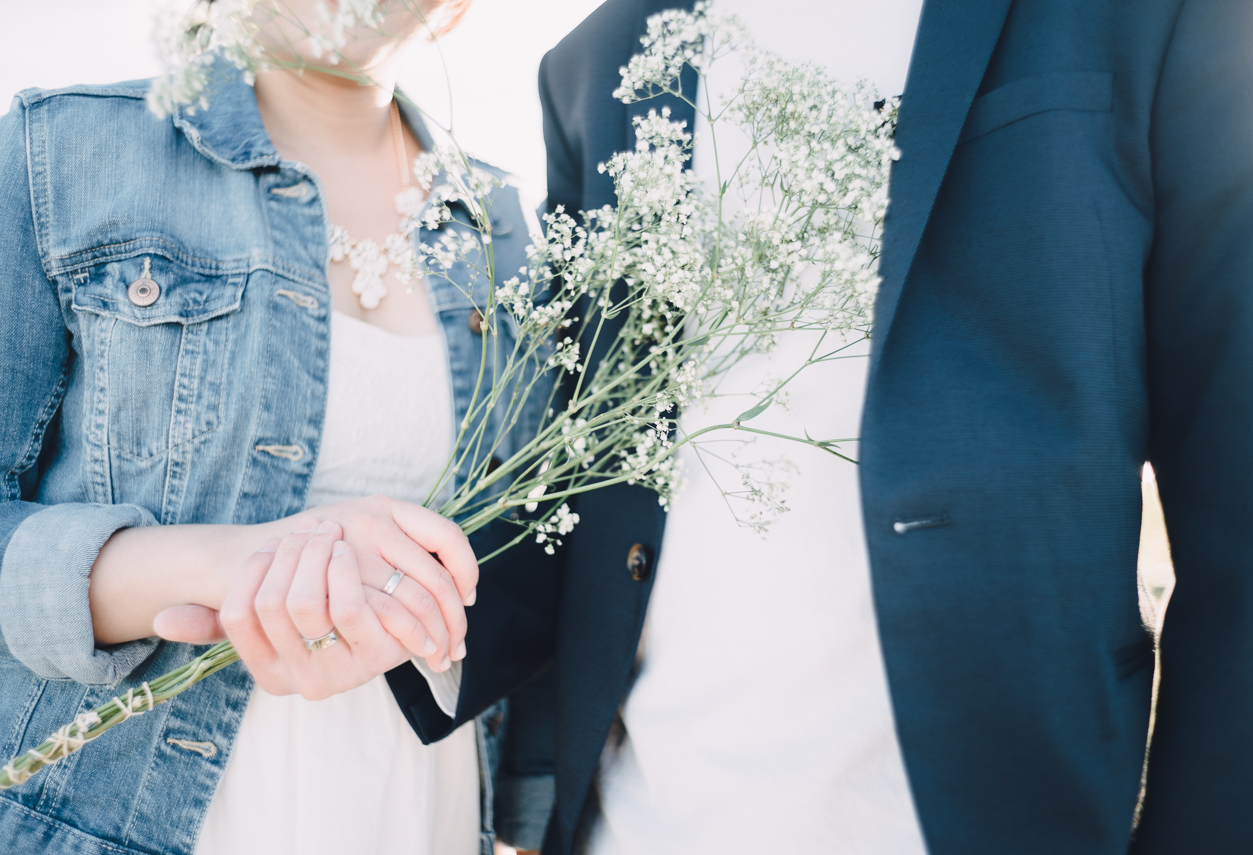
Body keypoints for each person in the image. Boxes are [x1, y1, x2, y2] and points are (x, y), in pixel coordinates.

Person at [394, 0, 1253, 853]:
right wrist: (381, 603)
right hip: (644, 824)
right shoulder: (598, 61)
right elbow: (588, 493)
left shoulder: (1149, 17)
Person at [0, 1, 551, 852]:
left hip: (415, 806)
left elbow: (530, 558)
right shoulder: (56, 154)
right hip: (128, 818)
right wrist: (229, 565)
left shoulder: (502, 224)